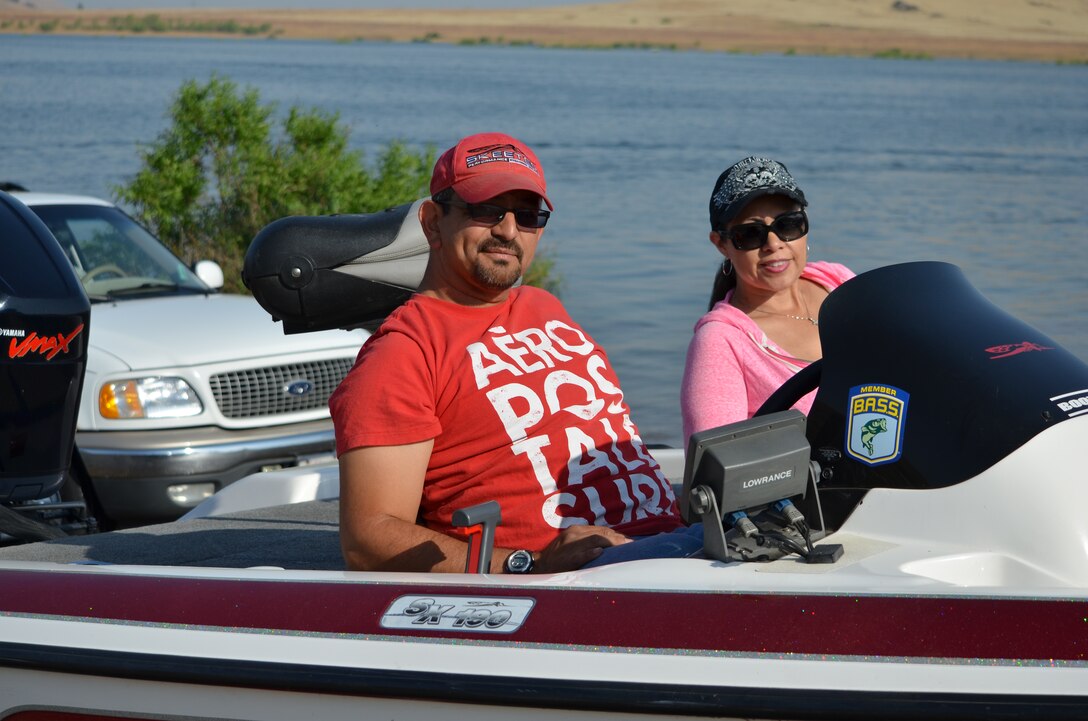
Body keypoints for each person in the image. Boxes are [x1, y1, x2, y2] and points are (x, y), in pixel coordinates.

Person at [331, 132, 702, 574]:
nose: (508, 231)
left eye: (528, 216)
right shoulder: (403, 353)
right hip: (591, 577)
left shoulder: (543, 306)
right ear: (432, 221)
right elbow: (368, 537)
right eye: (486, 210)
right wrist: (529, 563)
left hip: (679, 542)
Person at [681, 156, 854, 443]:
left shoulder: (839, 282)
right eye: (750, 234)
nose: (774, 244)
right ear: (721, 244)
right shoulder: (720, 342)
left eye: (788, 225)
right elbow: (716, 468)